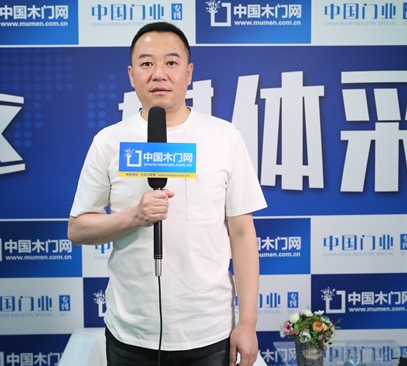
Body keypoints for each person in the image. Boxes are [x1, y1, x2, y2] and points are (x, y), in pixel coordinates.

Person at [68, 21, 267, 366]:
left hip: (209, 331)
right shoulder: (109, 142)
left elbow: (242, 233)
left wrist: (247, 323)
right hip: (131, 333)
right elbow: (77, 229)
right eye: (146, 63)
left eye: (171, 63)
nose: (159, 73)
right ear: (131, 75)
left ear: (188, 73)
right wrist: (134, 217)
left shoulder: (224, 137)